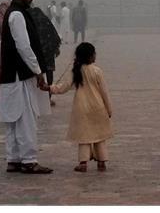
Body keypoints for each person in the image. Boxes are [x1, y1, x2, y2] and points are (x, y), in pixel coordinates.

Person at [0, 0, 52, 174]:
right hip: (20, 76)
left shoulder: (11, 14)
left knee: (13, 120)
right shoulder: (18, 15)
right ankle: (29, 160)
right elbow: (23, 46)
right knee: (25, 120)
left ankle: (13, 159)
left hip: (11, 75)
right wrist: (37, 71)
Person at [43, 42, 113, 172]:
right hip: (98, 107)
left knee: (84, 136)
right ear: (91, 56)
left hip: (81, 108)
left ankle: (83, 163)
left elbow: (64, 87)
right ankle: (102, 162)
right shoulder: (97, 71)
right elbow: (105, 92)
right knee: (99, 136)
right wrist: (109, 109)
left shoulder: (76, 71)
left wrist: (50, 88)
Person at [29, 3, 62, 107]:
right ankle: (48, 96)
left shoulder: (29, 22)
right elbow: (54, 34)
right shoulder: (44, 19)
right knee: (49, 73)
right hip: (48, 52)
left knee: (36, 74)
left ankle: (35, 98)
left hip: (36, 53)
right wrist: (56, 48)